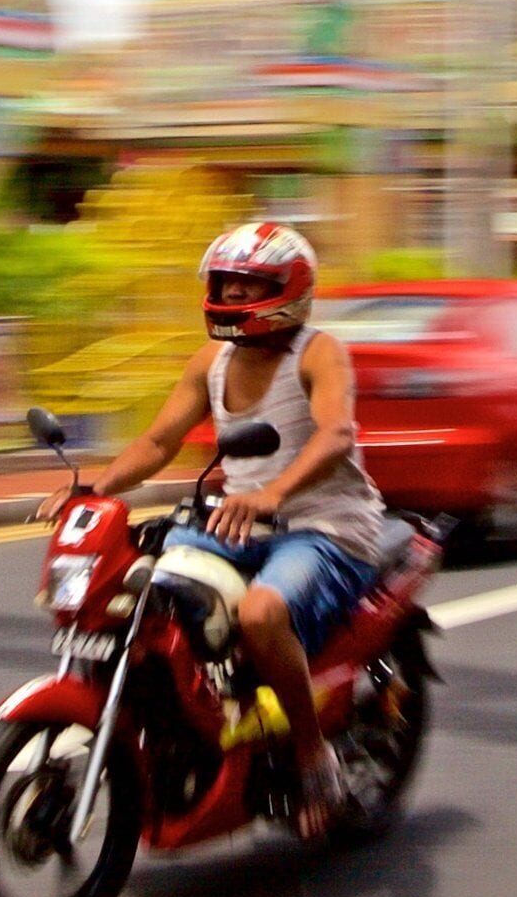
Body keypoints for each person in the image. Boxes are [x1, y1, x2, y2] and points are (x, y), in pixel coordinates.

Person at [49, 220, 393, 838]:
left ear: (287, 289)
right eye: (225, 285)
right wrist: (93, 490)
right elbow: (158, 441)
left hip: (326, 527)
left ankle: (312, 751)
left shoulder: (317, 352)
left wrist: (271, 495)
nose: (232, 297)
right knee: (139, 587)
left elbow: (337, 435)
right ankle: (194, 722)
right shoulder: (212, 360)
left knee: (260, 614)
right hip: (239, 525)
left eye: (247, 287)